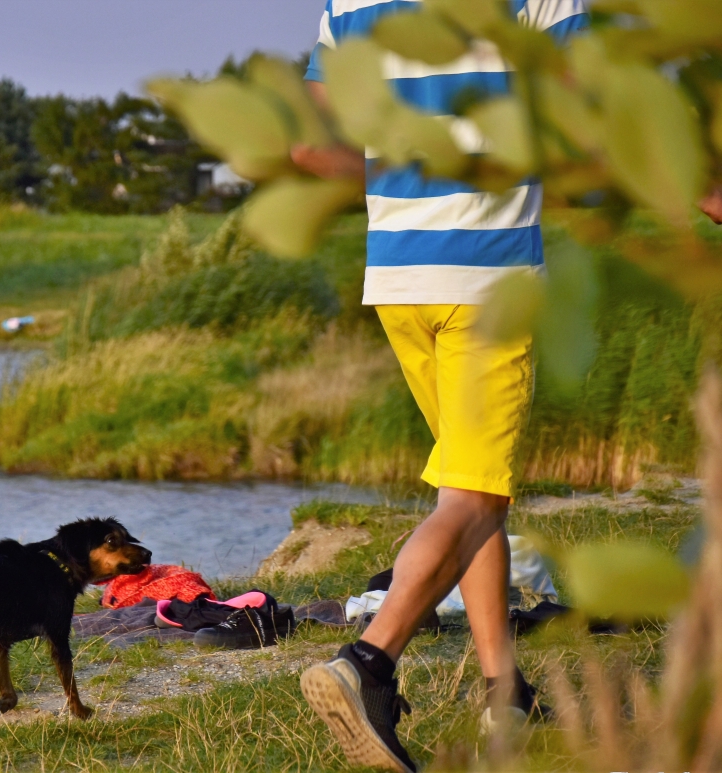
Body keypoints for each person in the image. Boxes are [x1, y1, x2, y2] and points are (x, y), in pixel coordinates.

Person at [291, 2, 590, 772]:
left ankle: (505, 694)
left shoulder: (348, 4)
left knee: (467, 483)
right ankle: (369, 664)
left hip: (398, 274)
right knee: (475, 495)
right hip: (487, 270)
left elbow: (308, 145)